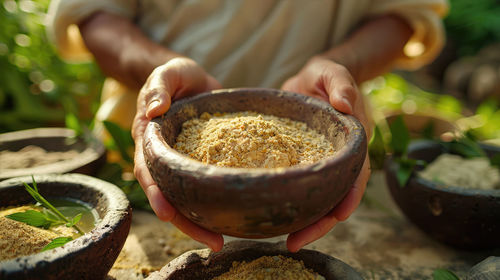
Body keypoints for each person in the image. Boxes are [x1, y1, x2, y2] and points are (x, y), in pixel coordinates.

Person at [48, 0, 448, 252]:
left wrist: (344, 67)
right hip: (148, 174)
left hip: (325, 184)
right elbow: (94, 15)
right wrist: (156, 73)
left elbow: (404, 15)